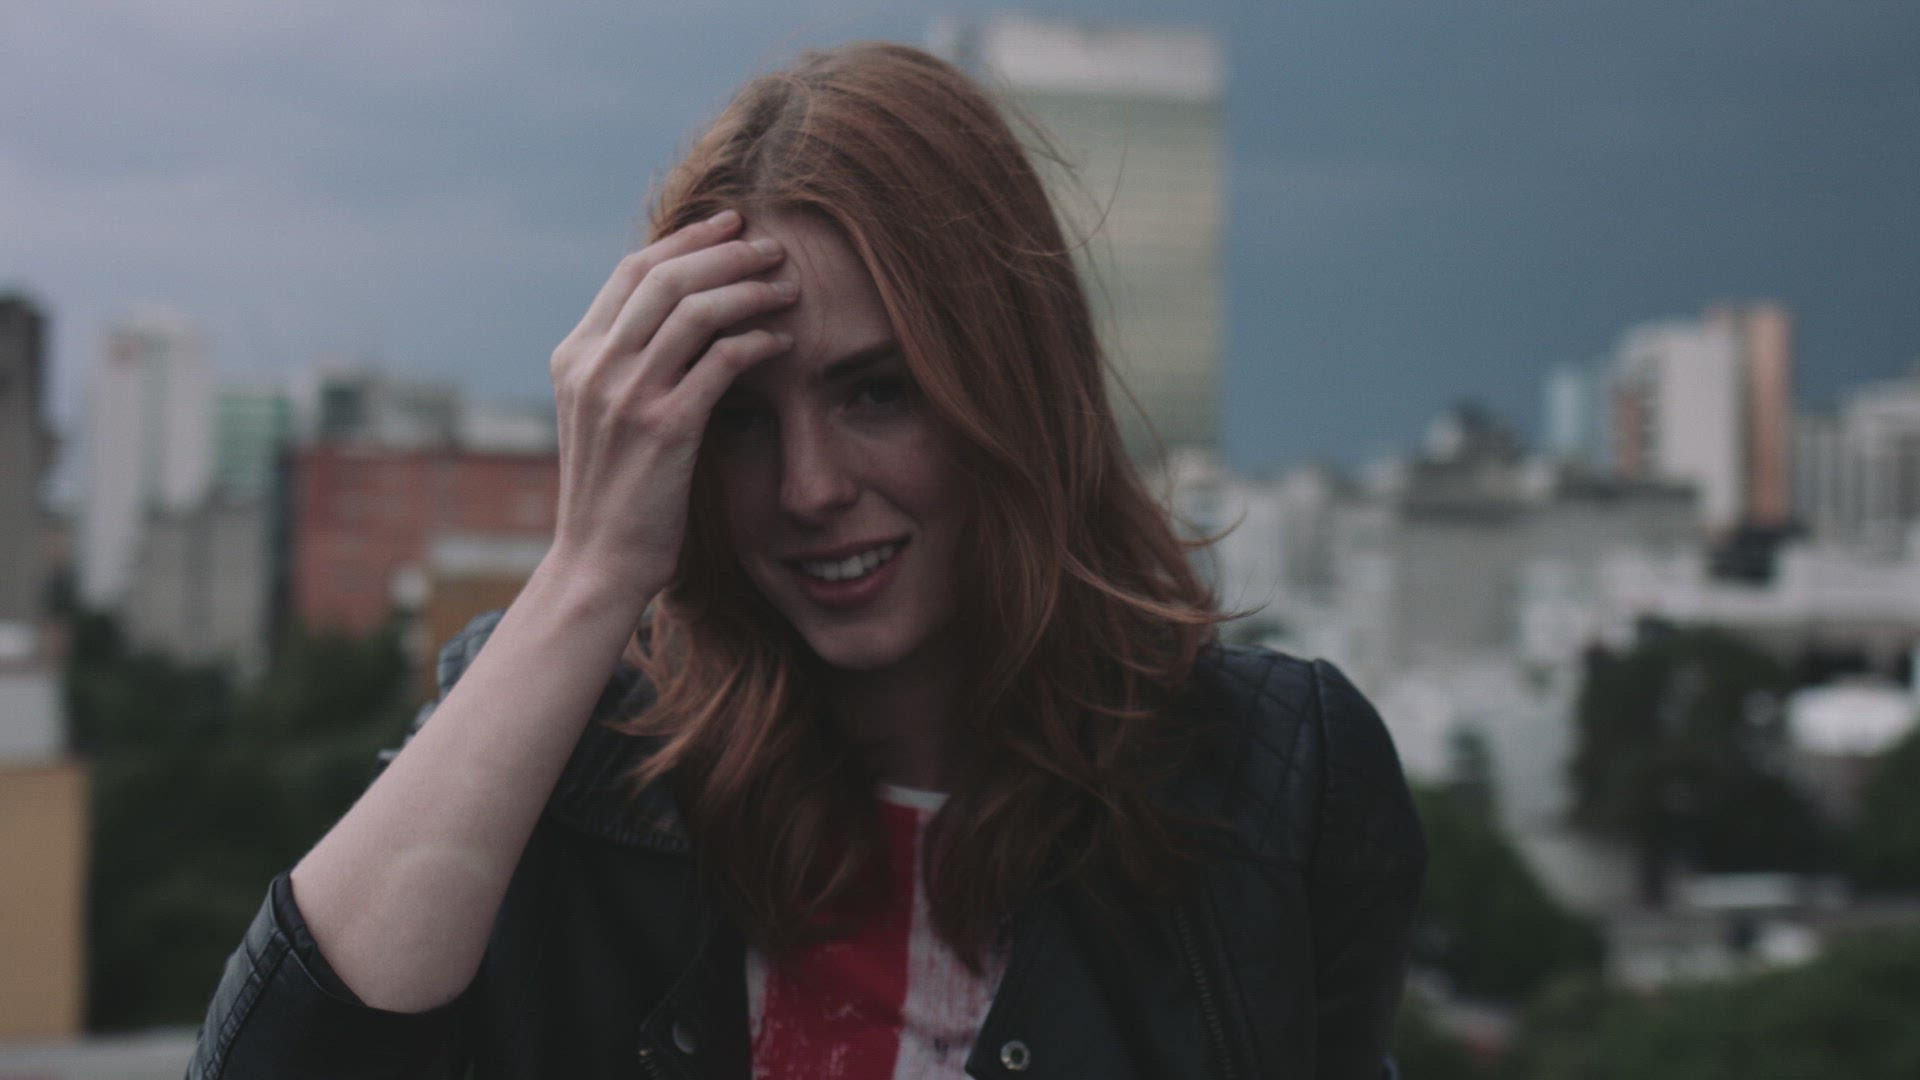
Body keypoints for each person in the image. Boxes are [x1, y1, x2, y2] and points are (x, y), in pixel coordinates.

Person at [187, 41, 1425, 1080]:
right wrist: (588, 571)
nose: (809, 488)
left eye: (878, 392)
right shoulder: (575, 746)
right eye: (739, 416)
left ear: (1011, 381)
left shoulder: (1271, 780)